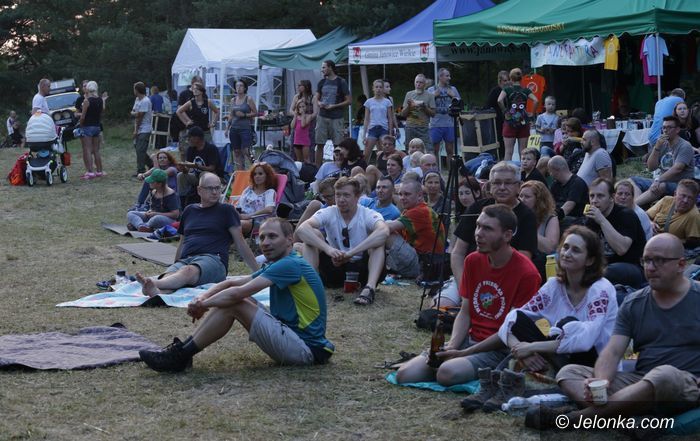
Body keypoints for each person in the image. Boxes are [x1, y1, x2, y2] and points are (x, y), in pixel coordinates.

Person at [531, 234, 700, 432]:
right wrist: (601, 380)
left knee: (664, 375)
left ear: (681, 264)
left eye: (659, 261)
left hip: (687, 384)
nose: (650, 267)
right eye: (646, 260)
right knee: (569, 373)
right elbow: (612, 352)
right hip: (640, 381)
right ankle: (633, 419)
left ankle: (574, 419)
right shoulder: (634, 302)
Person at [138, 217, 334, 372]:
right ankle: (182, 353)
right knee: (237, 300)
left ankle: (180, 356)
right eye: (262, 237)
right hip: (296, 340)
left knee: (235, 302)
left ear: (290, 239)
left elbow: (237, 293)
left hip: (306, 350)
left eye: (272, 237)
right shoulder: (283, 262)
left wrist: (203, 305)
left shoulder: (289, 264)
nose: (265, 243)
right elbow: (231, 282)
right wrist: (201, 298)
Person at [396, 204, 540, 386]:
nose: (478, 233)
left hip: (499, 348)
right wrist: (453, 345)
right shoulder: (473, 260)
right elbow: (465, 312)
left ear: (507, 235)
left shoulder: (527, 273)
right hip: (469, 339)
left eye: (487, 228)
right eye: (478, 226)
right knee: (405, 375)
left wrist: (463, 354)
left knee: (446, 373)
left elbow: (509, 331)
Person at [497, 226, 616, 375]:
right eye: (565, 247)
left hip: (594, 361)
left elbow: (585, 341)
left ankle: (520, 374)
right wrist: (520, 350)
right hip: (560, 355)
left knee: (568, 323)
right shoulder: (554, 285)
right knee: (518, 319)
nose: (567, 254)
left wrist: (531, 347)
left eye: (576, 250)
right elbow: (510, 321)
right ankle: (518, 373)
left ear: (590, 260)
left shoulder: (601, 290)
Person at [135, 172, 258, 298]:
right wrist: (176, 264)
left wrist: (258, 272)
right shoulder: (189, 210)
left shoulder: (227, 210)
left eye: (217, 188)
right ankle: (158, 293)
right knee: (171, 277)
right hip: (186, 259)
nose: (215, 192)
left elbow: (240, 242)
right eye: (210, 188)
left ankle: (153, 283)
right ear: (199, 190)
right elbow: (182, 242)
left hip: (213, 259)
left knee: (187, 271)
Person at [295, 177, 389, 305]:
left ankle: (369, 288)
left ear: (357, 197)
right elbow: (302, 229)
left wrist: (351, 253)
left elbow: (384, 232)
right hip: (334, 267)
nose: (341, 199)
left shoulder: (367, 214)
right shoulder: (328, 212)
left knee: (377, 242)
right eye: (338, 195)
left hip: (362, 269)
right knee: (312, 237)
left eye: (346, 195)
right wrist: (329, 250)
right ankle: (312, 286)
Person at [451, 162, 538, 283]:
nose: (502, 187)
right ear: (490, 186)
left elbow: (523, 259)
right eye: (496, 183)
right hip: (469, 277)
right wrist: (463, 286)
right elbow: (458, 253)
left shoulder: (527, 216)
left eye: (508, 183)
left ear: (519, 186)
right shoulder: (476, 208)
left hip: (506, 280)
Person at [585, 178, 646, 288]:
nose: (594, 201)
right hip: (603, 266)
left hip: (632, 268)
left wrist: (602, 220)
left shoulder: (626, 215)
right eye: (592, 196)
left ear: (612, 198)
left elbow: (622, 248)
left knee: (606, 272)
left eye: (600, 196)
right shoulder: (592, 219)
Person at [385, 179, 446, 279]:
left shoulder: (420, 211)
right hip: (422, 261)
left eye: (407, 194)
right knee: (384, 229)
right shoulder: (410, 210)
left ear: (419, 196)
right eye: (400, 194)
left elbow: (387, 228)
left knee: (385, 234)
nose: (402, 198)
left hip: (425, 266)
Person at [633, 116, 696, 207]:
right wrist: (657, 147)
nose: (665, 130)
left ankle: (632, 207)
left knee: (660, 186)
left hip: (681, 185)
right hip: (662, 181)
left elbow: (677, 169)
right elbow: (651, 167)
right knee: (632, 180)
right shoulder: (662, 144)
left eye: (669, 127)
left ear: (677, 130)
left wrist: (658, 180)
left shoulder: (685, 146)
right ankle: (637, 206)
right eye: (663, 128)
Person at [519, 180, 560, 282]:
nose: (522, 200)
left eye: (527, 197)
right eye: (520, 196)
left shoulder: (550, 218)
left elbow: (550, 248)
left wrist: (527, 228)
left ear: (539, 200)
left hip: (540, 263)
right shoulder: (515, 215)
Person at [315, 60, 351, 165]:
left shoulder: (341, 82)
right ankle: (318, 169)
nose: (322, 70)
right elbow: (316, 97)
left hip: (336, 117)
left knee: (338, 145)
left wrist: (334, 106)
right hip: (322, 116)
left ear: (330, 68)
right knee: (319, 144)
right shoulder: (321, 82)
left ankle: (338, 168)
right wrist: (319, 103)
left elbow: (349, 100)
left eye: (324, 67)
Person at [498, 68, 538, 161]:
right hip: (523, 122)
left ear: (511, 78)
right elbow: (536, 100)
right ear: (521, 78)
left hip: (510, 122)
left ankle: (507, 170)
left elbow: (499, 100)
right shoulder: (526, 90)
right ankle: (523, 169)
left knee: (508, 152)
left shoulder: (507, 89)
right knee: (523, 151)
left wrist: (505, 111)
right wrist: (532, 113)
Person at [177, 126, 222, 207]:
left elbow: (212, 168)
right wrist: (183, 168)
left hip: (212, 177)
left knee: (203, 174)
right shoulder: (191, 149)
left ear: (197, 138)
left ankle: (205, 201)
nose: (188, 140)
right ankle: (182, 203)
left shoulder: (211, 148)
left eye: (190, 137)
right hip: (196, 176)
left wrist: (197, 166)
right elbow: (187, 170)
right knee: (181, 176)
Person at [646, 179, 700, 247]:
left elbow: (693, 243)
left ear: (695, 200)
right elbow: (646, 215)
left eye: (690, 198)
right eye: (683, 196)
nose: (685, 201)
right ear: (675, 194)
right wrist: (650, 223)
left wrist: (668, 240)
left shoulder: (694, 215)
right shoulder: (666, 200)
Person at [237, 162, 277, 236]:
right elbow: (239, 204)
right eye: (254, 174)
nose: (257, 176)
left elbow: (269, 209)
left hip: (258, 222)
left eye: (260, 174)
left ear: (267, 176)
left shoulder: (269, 192)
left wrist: (249, 216)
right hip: (242, 218)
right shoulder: (248, 190)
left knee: (234, 225)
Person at [548, 155, 589, 227]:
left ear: (557, 170)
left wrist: (552, 218)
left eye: (551, 171)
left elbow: (568, 207)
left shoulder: (577, 183)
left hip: (575, 219)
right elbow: (549, 202)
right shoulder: (556, 184)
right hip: (559, 216)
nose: (551, 174)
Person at [428, 68, 461, 158]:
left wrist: (453, 96)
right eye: (447, 76)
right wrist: (433, 96)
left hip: (449, 124)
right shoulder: (431, 90)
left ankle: (450, 167)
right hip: (435, 124)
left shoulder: (453, 89)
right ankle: (435, 167)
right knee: (434, 150)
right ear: (440, 77)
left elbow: (460, 105)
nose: (449, 78)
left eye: (449, 76)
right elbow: (426, 104)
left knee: (450, 150)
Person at [225, 80, 256, 170]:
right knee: (237, 151)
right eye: (237, 86)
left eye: (241, 86)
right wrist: (227, 128)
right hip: (234, 129)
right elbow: (231, 115)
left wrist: (245, 115)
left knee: (246, 151)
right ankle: (241, 172)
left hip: (245, 129)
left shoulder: (248, 99)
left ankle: (255, 169)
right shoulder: (233, 100)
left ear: (245, 88)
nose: (238, 88)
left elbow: (255, 113)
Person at [362, 79, 394, 162]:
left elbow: (390, 118)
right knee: (366, 154)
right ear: (373, 88)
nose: (378, 89)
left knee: (384, 153)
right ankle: (363, 168)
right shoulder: (369, 102)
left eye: (380, 87)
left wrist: (390, 133)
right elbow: (366, 119)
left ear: (383, 89)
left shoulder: (387, 102)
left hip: (383, 129)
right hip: (372, 129)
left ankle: (382, 168)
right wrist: (364, 135)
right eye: (376, 87)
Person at [401, 74, 436, 149]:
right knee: (409, 149)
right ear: (414, 83)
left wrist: (424, 107)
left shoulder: (430, 95)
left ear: (424, 84)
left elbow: (433, 114)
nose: (418, 84)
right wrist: (409, 106)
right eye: (417, 82)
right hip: (410, 127)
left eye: (421, 82)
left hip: (423, 128)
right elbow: (403, 114)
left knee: (428, 149)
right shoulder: (409, 94)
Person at [79, 81, 105, 180]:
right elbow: (101, 112)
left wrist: (81, 124)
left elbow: (83, 116)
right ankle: (99, 170)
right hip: (97, 126)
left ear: (88, 89)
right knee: (96, 150)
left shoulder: (87, 101)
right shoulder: (100, 100)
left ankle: (90, 172)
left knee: (88, 149)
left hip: (87, 126)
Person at [175, 75, 204, 159]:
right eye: (197, 84)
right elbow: (180, 109)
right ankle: (184, 165)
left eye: (200, 84)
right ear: (192, 84)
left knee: (198, 149)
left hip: (198, 126)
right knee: (184, 150)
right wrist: (187, 121)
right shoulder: (184, 94)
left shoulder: (202, 94)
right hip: (185, 127)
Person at [485, 70, 510, 159]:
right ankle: (499, 157)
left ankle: (504, 157)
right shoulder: (495, 91)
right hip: (497, 120)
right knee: (499, 138)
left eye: (508, 80)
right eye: (505, 80)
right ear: (500, 81)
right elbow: (488, 106)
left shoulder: (509, 90)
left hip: (507, 119)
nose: (507, 82)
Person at [131, 82, 153, 175]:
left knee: (140, 149)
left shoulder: (145, 101)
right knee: (138, 148)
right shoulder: (137, 99)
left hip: (145, 129)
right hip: (138, 127)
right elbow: (134, 112)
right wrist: (135, 114)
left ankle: (141, 170)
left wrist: (136, 130)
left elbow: (140, 116)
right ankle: (152, 164)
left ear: (137, 90)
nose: (133, 91)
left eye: (134, 89)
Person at [291, 99, 313, 164]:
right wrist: (295, 116)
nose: (301, 108)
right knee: (299, 160)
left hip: (304, 141)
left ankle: (309, 169)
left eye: (303, 106)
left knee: (306, 159)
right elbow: (292, 126)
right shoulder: (297, 117)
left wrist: (303, 114)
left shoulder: (308, 116)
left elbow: (303, 125)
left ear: (306, 107)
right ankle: (300, 170)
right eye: (300, 107)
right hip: (297, 140)